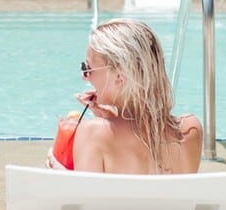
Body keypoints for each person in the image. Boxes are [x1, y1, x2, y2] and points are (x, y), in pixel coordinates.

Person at [48, 18, 201, 175]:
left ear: (120, 76)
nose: (85, 77)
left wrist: (63, 174)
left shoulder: (92, 133)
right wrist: (110, 117)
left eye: (88, 68)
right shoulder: (190, 128)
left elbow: (87, 198)